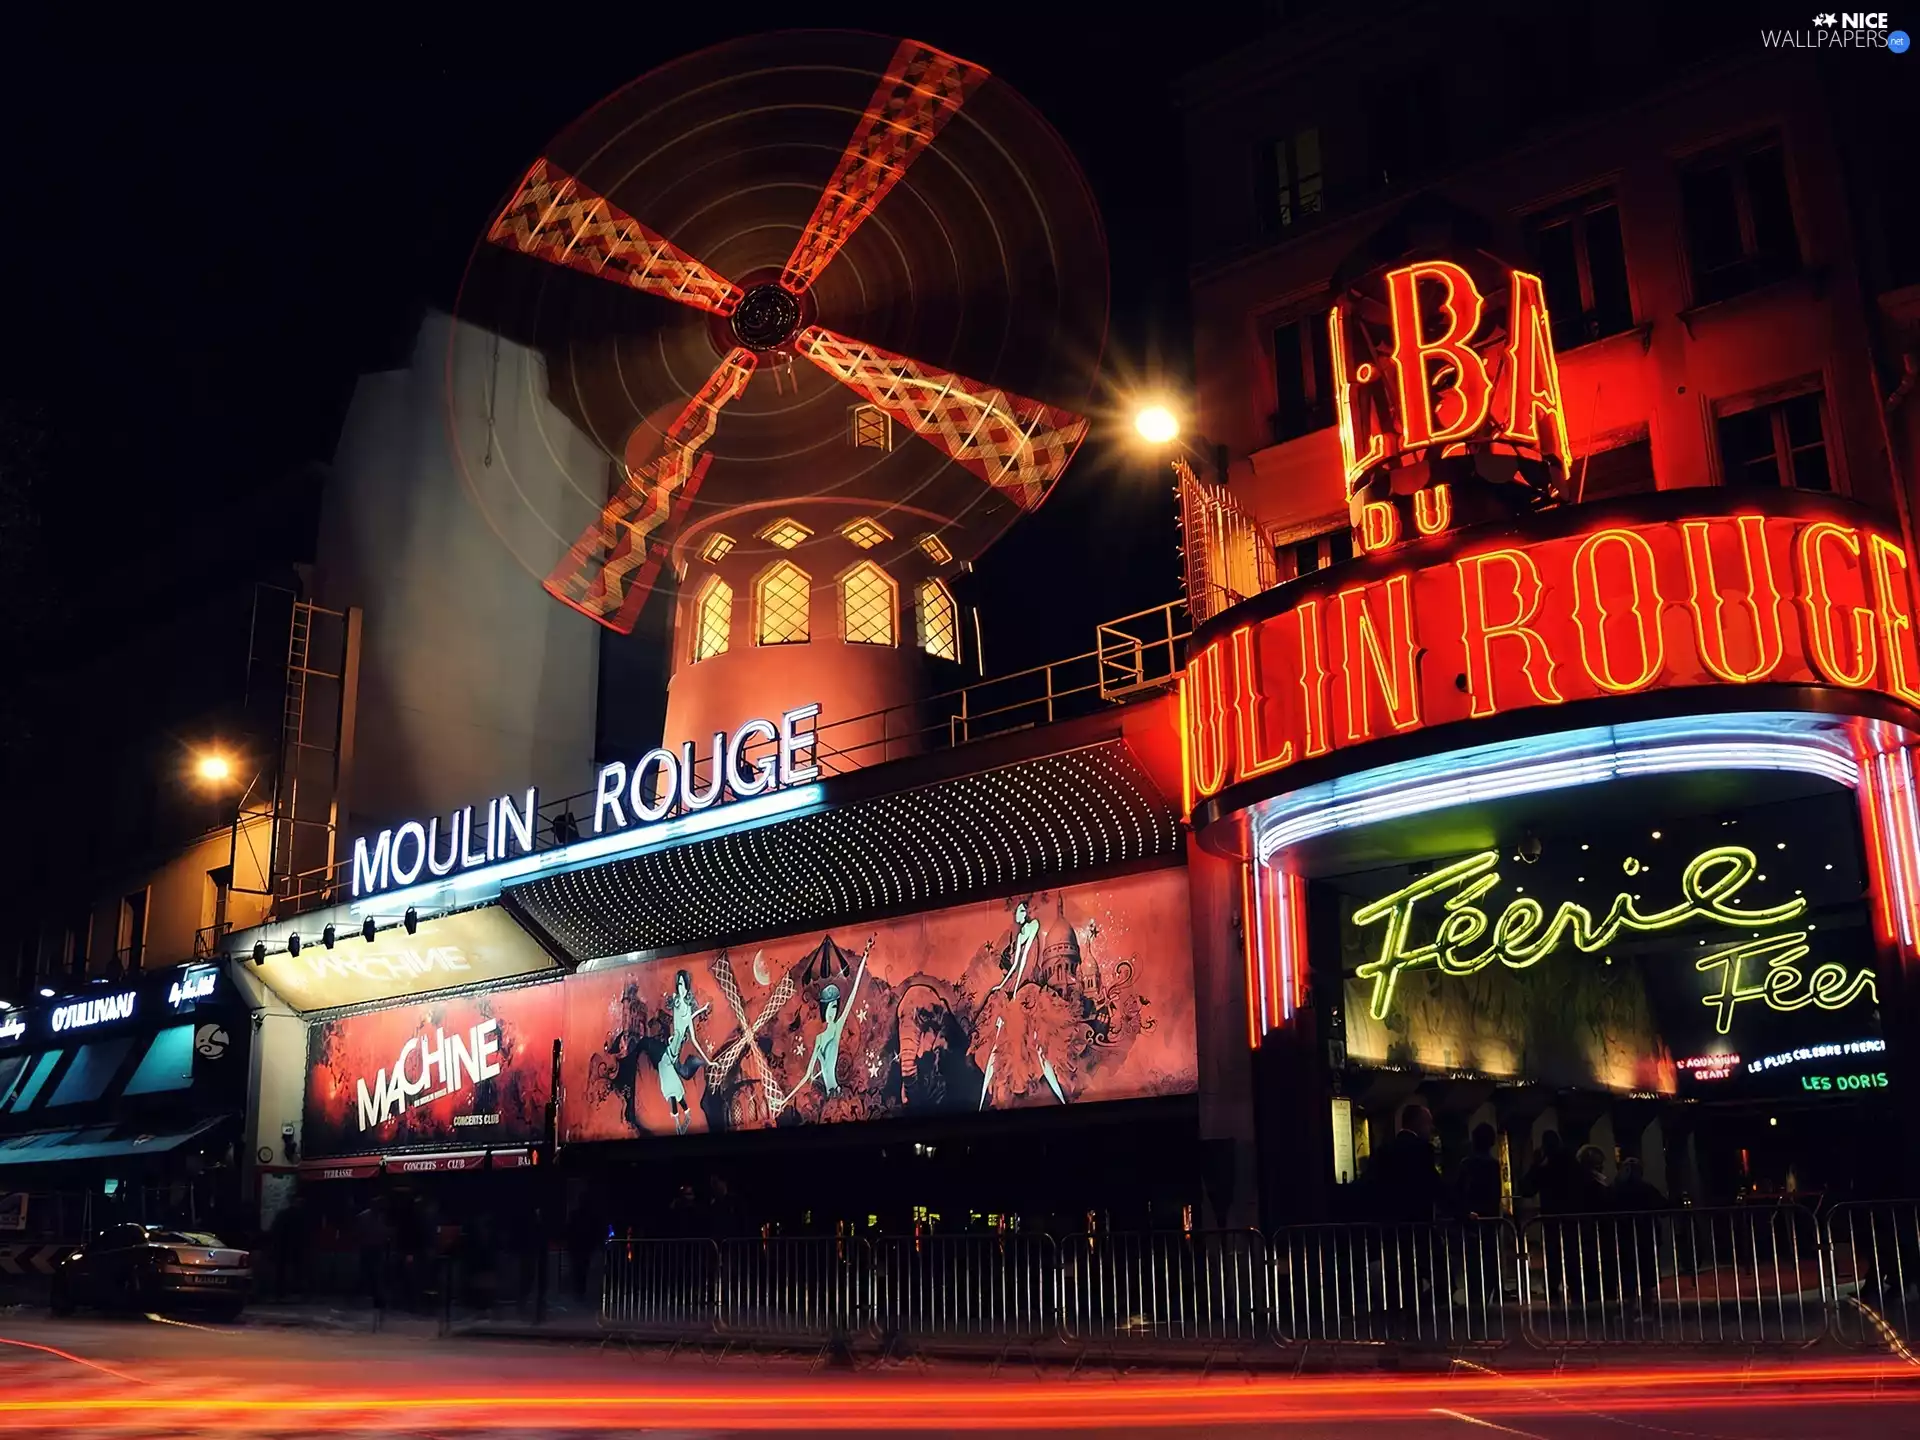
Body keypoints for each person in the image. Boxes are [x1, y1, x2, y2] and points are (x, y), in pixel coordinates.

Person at [1455, 1123, 1504, 1220]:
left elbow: (1459, 1190)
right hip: (1489, 1215)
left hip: (1470, 1214)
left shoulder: (1466, 1163)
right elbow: (1495, 1193)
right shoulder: (1493, 1164)